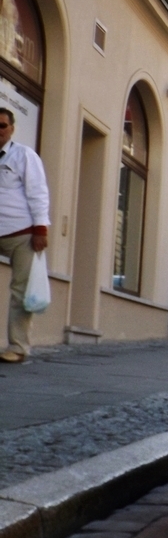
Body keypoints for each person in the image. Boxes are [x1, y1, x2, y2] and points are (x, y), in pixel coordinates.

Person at [0, 107, 50, 365]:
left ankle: (17, 347)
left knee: (21, 290)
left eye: (2, 125)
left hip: (20, 232)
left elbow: (38, 192)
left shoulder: (23, 156)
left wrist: (40, 228)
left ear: (12, 128)